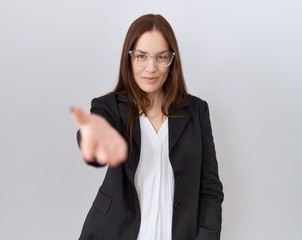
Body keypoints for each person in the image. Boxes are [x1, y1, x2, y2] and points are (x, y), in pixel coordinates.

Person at [71, 14, 224, 240]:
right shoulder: (109, 107)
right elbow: (94, 136)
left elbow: (210, 190)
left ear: (172, 61)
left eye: (161, 57)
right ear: (129, 58)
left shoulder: (197, 111)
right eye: (141, 56)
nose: (151, 68)